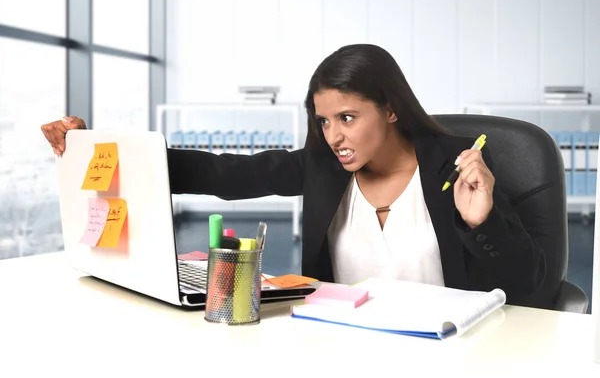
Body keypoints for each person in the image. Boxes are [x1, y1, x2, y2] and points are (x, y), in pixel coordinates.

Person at [42, 44, 547, 308]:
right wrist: (105, 149)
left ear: (390, 110)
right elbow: (228, 173)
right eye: (324, 121)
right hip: (341, 352)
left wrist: (483, 225)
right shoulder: (324, 167)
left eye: (347, 118)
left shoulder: (456, 165)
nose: (333, 136)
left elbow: (528, 287)